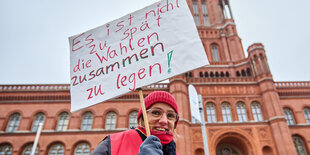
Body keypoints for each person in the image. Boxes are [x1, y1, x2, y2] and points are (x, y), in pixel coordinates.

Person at [91, 91, 180, 155]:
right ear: (143, 117)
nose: (164, 120)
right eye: (156, 113)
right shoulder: (112, 143)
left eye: (170, 115)